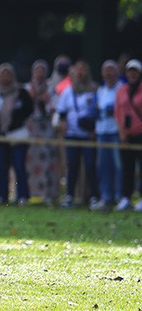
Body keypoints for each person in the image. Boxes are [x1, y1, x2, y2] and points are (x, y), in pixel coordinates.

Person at [0, 63, 33, 205]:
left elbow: (28, 109)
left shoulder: (21, 92)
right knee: (1, 167)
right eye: (3, 74)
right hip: (0, 136)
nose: (5, 77)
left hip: (17, 135)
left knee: (19, 165)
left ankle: (22, 196)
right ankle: (2, 196)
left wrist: (15, 121)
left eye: (8, 74)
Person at [56, 60, 100, 208]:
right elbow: (62, 112)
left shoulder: (94, 89)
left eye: (83, 69)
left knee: (90, 165)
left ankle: (93, 196)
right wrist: (63, 124)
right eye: (78, 69)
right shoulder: (68, 91)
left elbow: (98, 112)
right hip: (72, 134)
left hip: (88, 135)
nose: (80, 72)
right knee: (72, 165)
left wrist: (94, 130)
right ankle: (70, 196)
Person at [25, 59, 61, 205]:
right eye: (37, 70)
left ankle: (48, 194)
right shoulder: (27, 88)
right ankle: (26, 194)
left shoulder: (51, 89)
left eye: (42, 70)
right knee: (29, 162)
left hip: (46, 128)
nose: (39, 73)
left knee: (48, 160)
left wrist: (43, 101)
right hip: (30, 129)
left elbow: (55, 107)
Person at [92, 59, 122, 210]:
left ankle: (121, 197)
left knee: (119, 166)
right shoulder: (100, 90)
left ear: (116, 73)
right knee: (103, 166)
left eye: (111, 70)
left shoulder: (122, 89)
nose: (108, 74)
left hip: (116, 132)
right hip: (102, 132)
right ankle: (106, 197)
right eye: (106, 70)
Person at [113, 58, 142, 210]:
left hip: (140, 134)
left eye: (135, 71)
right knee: (127, 167)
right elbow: (117, 112)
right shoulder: (121, 90)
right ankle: (126, 197)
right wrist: (121, 133)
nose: (132, 74)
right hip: (126, 135)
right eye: (130, 71)